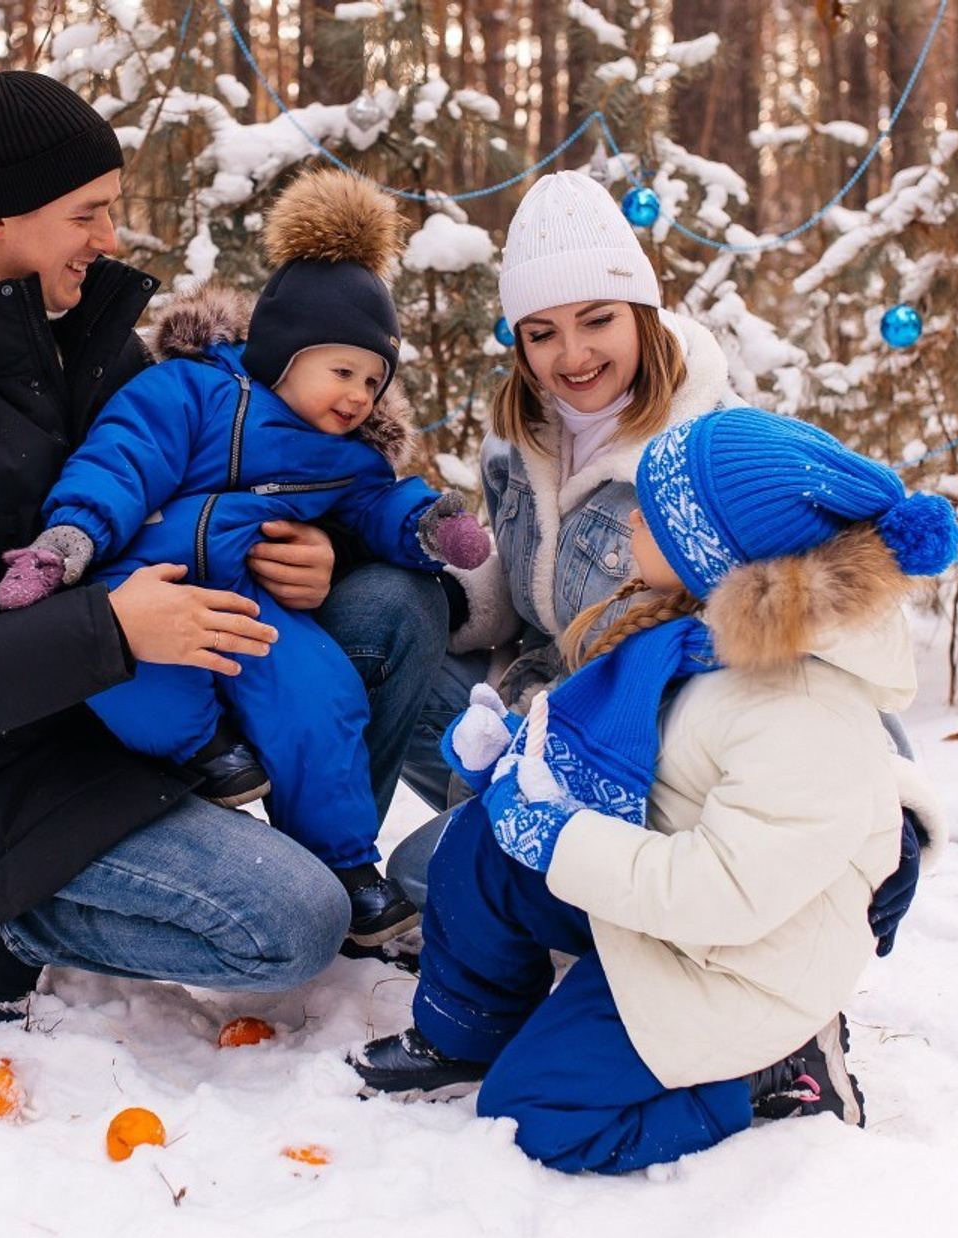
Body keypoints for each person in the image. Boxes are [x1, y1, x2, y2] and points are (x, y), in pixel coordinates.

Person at [0, 70, 447, 1025]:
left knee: (393, 604)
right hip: (5, 783)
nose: (110, 240)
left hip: (154, 707)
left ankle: (332, 851)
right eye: (88, 213)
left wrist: (321, 551)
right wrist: (114, 630)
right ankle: (11, 921)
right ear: (3, 217)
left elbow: (249, 467)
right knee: (291, 926)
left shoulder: (91, 347)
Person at [350, 406, 958, 1174]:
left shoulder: (800, 708)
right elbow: (652, 759)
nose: (633, 519)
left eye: (658, 511)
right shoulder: (693, 629)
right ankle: (465, 1034)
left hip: (737, 963)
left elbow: (723, 893)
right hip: (667, 898)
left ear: (715, 551)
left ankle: (766, 1076)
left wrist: (558, 833)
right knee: (481, 843)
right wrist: (527, 766)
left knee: (536, 1116)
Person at [387, 169, 923, 955]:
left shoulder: (714, 444)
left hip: (668, 756)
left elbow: (834, 608)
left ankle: (675, 932)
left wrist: (888, 800)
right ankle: (553, 910)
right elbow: (530, 592)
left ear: (641, 310)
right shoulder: (516, 437)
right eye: (542, 332)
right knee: (397, 688)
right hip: (547, 716)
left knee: (451, 879)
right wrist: (446, 583)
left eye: (596, 319)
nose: (571, 354)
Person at [0, 168, 487, 947]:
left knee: (323, 698)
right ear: (284, 353)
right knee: (127, 670)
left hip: (249, 608)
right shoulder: (191, 392)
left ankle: (345, 868)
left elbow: (379, 504)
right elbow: (122, 459)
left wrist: (430, 526)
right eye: (342, 370)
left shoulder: (343, 453)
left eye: (373, 379)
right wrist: (69, 542)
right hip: (143, 587)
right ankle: (205, 752)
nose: (359, 396)